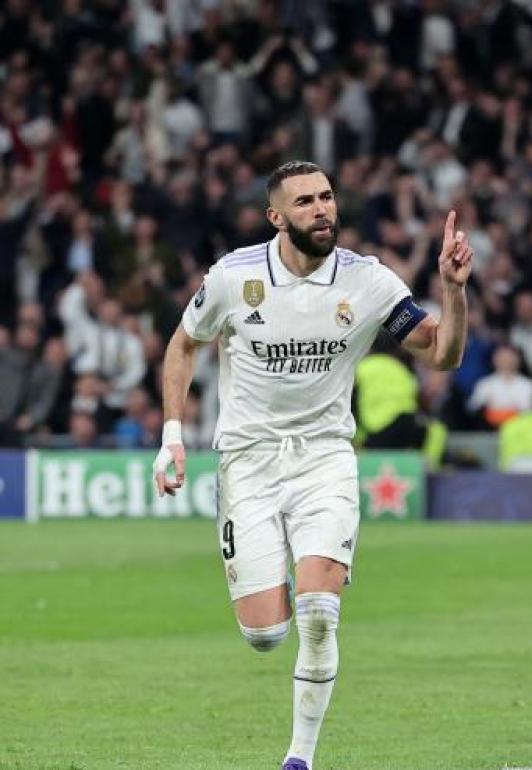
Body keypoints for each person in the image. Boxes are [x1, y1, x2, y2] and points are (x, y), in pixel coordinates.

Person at [151, 161, 472, 769]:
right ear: (277, 216)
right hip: (247, 460)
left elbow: (442, 355)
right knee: (267, 634)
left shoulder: (368, 281)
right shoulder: (233, 277)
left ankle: (299, 757)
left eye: (327, 197)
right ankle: (279, 573)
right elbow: (184, 343)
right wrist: (172, 436)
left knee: (320, 613)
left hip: (326, 457)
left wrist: (453, 291)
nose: (322, 209)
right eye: (305, 202)